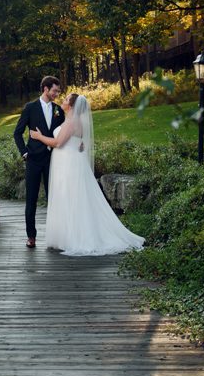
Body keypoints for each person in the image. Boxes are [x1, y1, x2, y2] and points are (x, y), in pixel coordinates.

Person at [30, 93, 144, 256]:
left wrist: (38, 136)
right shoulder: (74, 121)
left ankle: (76, 237)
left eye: (66, 99)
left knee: (71, 198)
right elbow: (78, 143)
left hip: (68, 165)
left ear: (71, 105)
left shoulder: (71, 122)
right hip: (69, 162)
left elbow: (57, 143)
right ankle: (67, 236)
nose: (63, 100)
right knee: (72, 198)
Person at [13, 76, 65, 248]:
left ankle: (57, 236)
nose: (57, 93)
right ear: (45, 89)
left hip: (53, 160)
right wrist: (25, 153)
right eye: (55, 90)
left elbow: (64, 132)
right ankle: (31, 236)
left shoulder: (59, 110)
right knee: (31, 199)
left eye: (58, 91)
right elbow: (17, 133)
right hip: (33, 160)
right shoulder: (30, 108)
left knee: (54, 198)